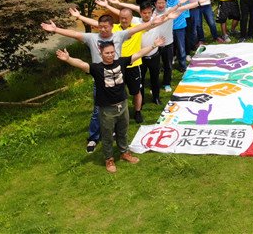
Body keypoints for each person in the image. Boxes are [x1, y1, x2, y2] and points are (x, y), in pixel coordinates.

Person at [41, 12, 170, 153]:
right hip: (99, 78)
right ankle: (93, 137)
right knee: (98, 110)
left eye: (105, 27)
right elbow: (74, 34)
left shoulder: (119, 36)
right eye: (100, 27)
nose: (102, 29)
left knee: (118, 107)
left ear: (111, 27)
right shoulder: (92, 38)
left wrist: (153, 22)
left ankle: (115, 133)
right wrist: (56, 30)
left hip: (117, 75)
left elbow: (137, 28)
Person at [56, 35, 165, 172]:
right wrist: (68, 59)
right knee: (107, 135)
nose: (110, 55)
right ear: (101, 53)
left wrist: (154, 45)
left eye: (112, 52)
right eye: (107, 53)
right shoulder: (96, 68)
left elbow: (138, 54)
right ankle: (109, 159)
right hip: (107, 109)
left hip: (123, 105)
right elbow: (82, 64)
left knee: (123, 131)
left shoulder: (121, 62)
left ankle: (124, 153)